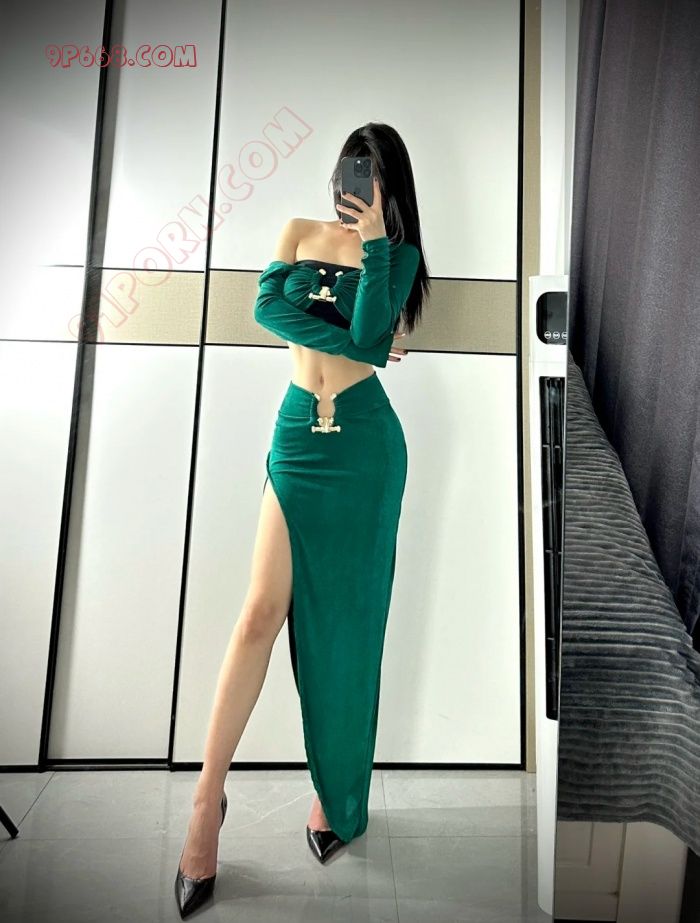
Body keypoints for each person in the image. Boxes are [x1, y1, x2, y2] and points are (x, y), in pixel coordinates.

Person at [175, 122, 429, 919]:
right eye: (354, 167)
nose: (359, 182)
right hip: (298, 439)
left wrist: (377, 248)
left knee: (347, 632)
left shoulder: (398, 257)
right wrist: (370, 346)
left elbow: (370, 333)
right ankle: (206, 801)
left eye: (375, 172)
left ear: (392, 185)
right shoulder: (297, 230)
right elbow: (266, 312)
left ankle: (336, 794)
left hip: (365, 452)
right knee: (258, 614)